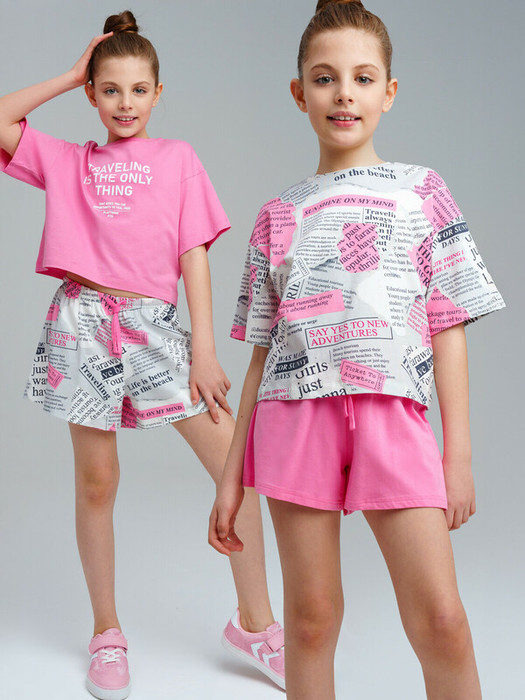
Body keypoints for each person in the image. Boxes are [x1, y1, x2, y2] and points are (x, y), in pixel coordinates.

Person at [209, 1, 505, 697]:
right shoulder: (277, 214)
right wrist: (229, 476)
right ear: (299, 93)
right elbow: (262, 355)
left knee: (442, 621)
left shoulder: (422, 192)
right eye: (325, 78)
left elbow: (447, 323)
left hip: (392, 416)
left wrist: (457, 454)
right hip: (293, 422)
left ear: (388, 91)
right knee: (311, 622)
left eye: (362, 78)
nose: (344, 93)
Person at [0, 11, 285, 700]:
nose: (124, 104)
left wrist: (203, 348)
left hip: (154, 329)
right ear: (92, 95)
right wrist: (69, 73)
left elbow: (193, 253)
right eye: (109, 89)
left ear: (158, 93)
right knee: (97, 483)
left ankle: (255, 626)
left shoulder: (177, 159)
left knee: (236, 467)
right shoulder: (68, 161)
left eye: (137, 90)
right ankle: (107, 633)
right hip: (81, 325)